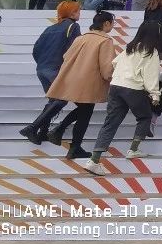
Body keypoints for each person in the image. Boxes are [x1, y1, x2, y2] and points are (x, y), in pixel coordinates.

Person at [21, 11, 115, 159]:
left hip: (72, 78)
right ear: (107, 23)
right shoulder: (105, 41)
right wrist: (111, 78)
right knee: (86, 112)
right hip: (88, 81)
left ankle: (59, 134)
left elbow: (66, 56)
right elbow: (107, 68)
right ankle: (69, 141)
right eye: (112, 23)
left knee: (84, 110)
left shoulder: (81, 38)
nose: (112, 26)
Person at [82, 20, 162, 175]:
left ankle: (94, 160)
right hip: (133, 88)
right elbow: (151, 75)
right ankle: (133, 149)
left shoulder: (130, 47)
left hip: (116, 86)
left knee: (110, 123)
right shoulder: (151, 52)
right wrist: (155, 94)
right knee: (145, 117)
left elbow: (114, 63)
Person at [31, 1, 82, 92]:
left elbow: (36, 50)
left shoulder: (49, 28)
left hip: (41, 70)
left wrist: (42, 64)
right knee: (68, 97)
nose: (79, 14)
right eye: (78, 11)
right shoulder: (73, 26)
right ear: (72, 13)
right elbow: (76, 48)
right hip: (57, 70)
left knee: (54, 98)